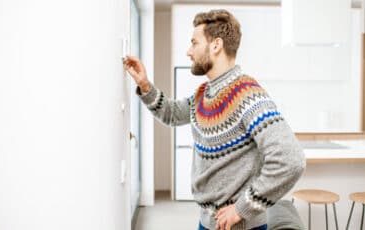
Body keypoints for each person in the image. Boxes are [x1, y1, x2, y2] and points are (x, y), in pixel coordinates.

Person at [123, 9, 305, 230]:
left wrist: (241, 209)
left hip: (238, 225)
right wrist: (145, 85)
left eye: (194, 43)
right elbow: (172, 113)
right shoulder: (204, 93)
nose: (189, 52)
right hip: (208, 220)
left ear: (216, 45)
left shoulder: (247, 94)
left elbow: (291, 159)